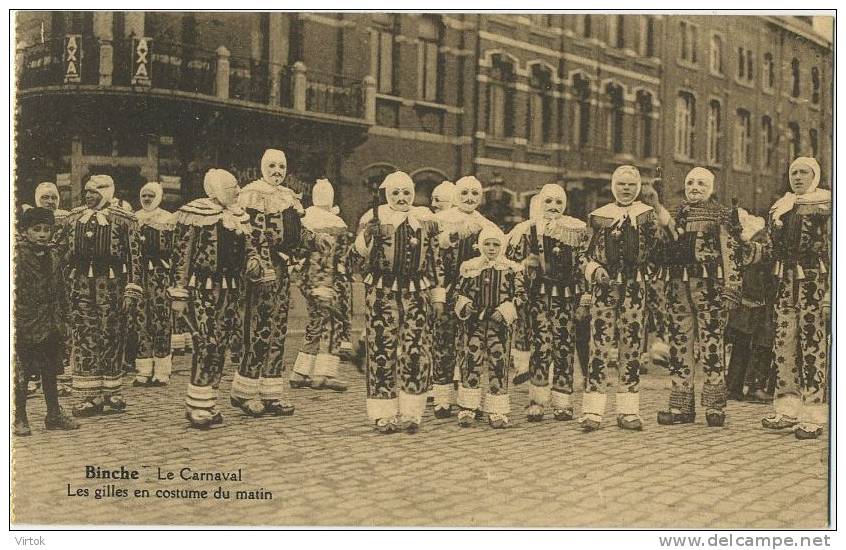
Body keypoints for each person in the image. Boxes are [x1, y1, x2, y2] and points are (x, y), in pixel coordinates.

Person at [655, 167, 757, 428]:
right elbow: (663, 246)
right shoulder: (677, 213)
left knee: (712, 345)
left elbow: (731, 252)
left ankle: (714, 406)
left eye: (701, 183)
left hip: (710, 289)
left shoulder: (721, 214)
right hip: (678, 288)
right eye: (690, 183)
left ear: (710, 188)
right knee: (679, 345)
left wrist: (732, 289)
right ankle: (680, 406)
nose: (695, 187)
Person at [171, 169, 269, 428]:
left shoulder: (238, 216)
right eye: (232, 187)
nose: (237, 191)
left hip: (230, 290)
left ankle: (208, 403)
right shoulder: (195, 215)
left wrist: (254, 263)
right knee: (206, 342)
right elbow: (182, 257)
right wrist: (179, 294)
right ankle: (197, 406)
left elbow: (250, 249)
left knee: (221, 343)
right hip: (202, 289)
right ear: (215, 189)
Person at [232, 149, 327, 417]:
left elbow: (296, 234)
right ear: (262, 167)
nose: (277, 171)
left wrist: (315, 240)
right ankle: (245, 392)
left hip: (282, 271)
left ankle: (271, 393)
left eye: (281, 166)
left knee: (277, 330)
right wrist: (259, 265)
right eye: (272, 166)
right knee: (257, 329)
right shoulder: (251, 194)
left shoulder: (287, 197)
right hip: (258, 270)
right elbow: (248, 236)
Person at [354, 171, 446, 434]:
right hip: (381, 294)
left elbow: (435, 261)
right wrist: (365, 239)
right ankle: (383, 413)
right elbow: (354, 260)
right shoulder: (374, 220)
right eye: (395, 193)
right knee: (381, 352)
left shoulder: (426, 221)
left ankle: (412, 412)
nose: (402, 197)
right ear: (386, 195)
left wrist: (438, 296)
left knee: (416, 351)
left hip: (417, 294)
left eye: (406, 192)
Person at [580, 166, 666, 431]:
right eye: (621, 184)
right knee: (599, 344)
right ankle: (593, 410)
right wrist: (595, 270)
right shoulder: (599, 216)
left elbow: (658, 251)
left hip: (634, 287)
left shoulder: (647, 216)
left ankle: (628, 410)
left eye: (630, 184)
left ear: (638, 187)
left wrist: (646, 276)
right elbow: (584, 253)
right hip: (605, 288)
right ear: (613, 186)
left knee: (631, 344)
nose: (626, 189)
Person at [61, 175, 143, 417]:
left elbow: (135, 258)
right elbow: (61, 250)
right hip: (81, 286)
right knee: (85, 335)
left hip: (113, 285)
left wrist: (132, 289)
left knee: (112, 333)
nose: (88, 196)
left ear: (106, 193)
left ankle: (111, 391)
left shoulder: (124, 220)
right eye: (86, 192)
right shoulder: (74, 218)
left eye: (94, 192)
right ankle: (90, 395)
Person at [762, 157, 831, 440]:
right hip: (784, 284)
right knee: (784, 344)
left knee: (813, 345)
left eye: (804, 172)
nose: (798, 177)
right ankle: (787, 408)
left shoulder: (827, 206)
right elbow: (768, 249)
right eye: (794, 172)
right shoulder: (781, 207)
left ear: (815, 175)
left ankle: (814, 414)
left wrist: (830, 294)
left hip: (814, 283)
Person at [507, 183, 589, 422]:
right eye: (549, 202)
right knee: (541, 345)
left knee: (564, 345)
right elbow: (512, 263)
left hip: (567, 297)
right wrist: (526, 265)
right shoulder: (528, 229)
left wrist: (585, 297)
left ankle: (563, 401)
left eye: (558, 202)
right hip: (539, 295)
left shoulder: (575, 229)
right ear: (540, 204)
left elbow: (584, 263)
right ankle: (537, 400)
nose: (553, 207)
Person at [430, 176, 498, 418]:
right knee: (443, 344)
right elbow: (434, 259)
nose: (470, 198)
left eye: (474, 194)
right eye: (465, 193)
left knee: (472, 344)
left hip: (474, 295)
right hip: (448, 290)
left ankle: (470, 399)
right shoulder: (440, 221)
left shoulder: (485, 224)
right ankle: (441, 398)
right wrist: (437, 291)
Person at [13, 207, 80, 435]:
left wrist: (66, 320)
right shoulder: (16, 256)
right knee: (21, 372)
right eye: (36, 230)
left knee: (50, 370)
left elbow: (61, 290)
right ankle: (19, 418)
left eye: (46, 230)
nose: (42, 234)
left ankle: (54, 415)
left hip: (51, 323)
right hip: (24, 324)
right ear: (25, 231)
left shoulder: (52, 256)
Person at [453, 226, 526, 428]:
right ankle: (468, 406)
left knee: (498, 362)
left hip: (499, 325)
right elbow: (457, 292)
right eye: (487, 243)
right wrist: (464, 304)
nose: (491, 248)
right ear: (480, 245)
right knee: (471, 360)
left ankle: (497, 408)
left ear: (502, 246)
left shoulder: (512, 269)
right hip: (474, 323)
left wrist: (505, 310)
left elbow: (521, 296)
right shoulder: (470, 268)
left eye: (496, 244)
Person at [290, 178, 351, 392]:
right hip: (328, 283)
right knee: (332, 326)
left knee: (315, 325)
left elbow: (300, 254)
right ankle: (324, 374)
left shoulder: (306, 220)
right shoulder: (336, 225)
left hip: (308, 282)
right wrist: (327, 285)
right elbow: (332, 259)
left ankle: (300, 371)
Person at [133, 182, 176, 386]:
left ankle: (162, 369)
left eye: (151, 196)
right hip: (140, 274)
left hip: (161, 274)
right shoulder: (134, 218)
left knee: (161, 318)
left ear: (158, 197)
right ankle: (143, 369)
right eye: (144, 195)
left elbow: (176, 250)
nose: (147, 199)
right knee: (141, 319)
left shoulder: (167, 219)